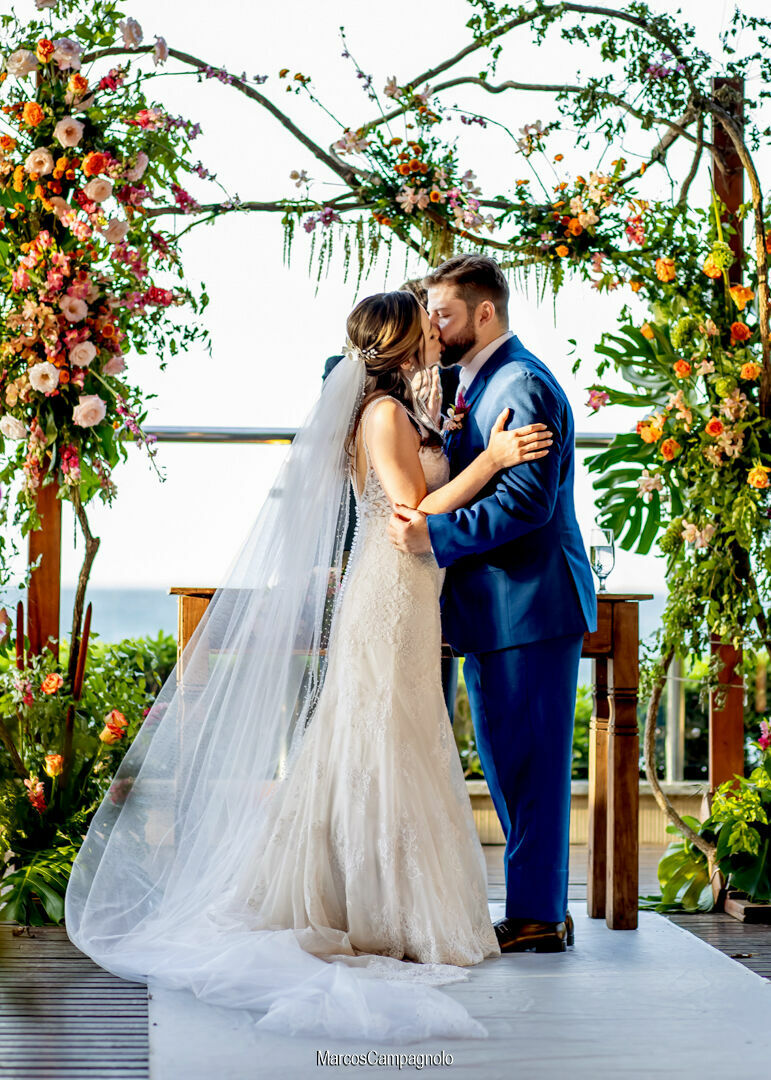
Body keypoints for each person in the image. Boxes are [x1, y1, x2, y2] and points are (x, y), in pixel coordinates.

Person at [65, 289, 552, 1042]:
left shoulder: (402, 410)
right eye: (424, 329)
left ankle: (385, 899)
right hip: (390, 594)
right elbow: (409, 514)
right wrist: (490, 458)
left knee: (397, 738)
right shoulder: (383, 414)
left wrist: (464, 446)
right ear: (397, 345)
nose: (434, 336)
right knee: (379, 739)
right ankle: (373, 907)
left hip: (412, 594)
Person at [389, 255, 597, 953]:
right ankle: (534, 909)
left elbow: (526, 503)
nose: (433, 327)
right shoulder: (479, 383)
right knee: (512, 763)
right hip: (501, 606)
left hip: (527, 603)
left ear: (484, 313)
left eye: (442, 314)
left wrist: (431, 535)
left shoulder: (519, 383)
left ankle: (537, 916)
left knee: (532, 766)